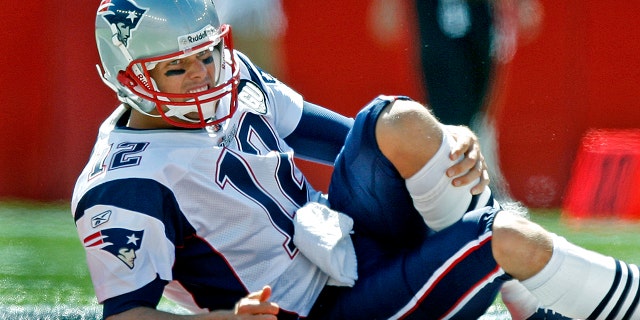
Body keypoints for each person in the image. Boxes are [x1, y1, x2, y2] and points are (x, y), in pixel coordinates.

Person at [74, 0, 640, 319]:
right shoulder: (120, 185)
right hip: (308, 310)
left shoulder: (234, 74)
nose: (203, 76)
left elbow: (347, 139)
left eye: (206, 54)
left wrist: (445, 149)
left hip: (339, 244)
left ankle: (524, 300)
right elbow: (129, 316)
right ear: (127, 79)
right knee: (502, 237)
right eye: (179, 68)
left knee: (397, 118)